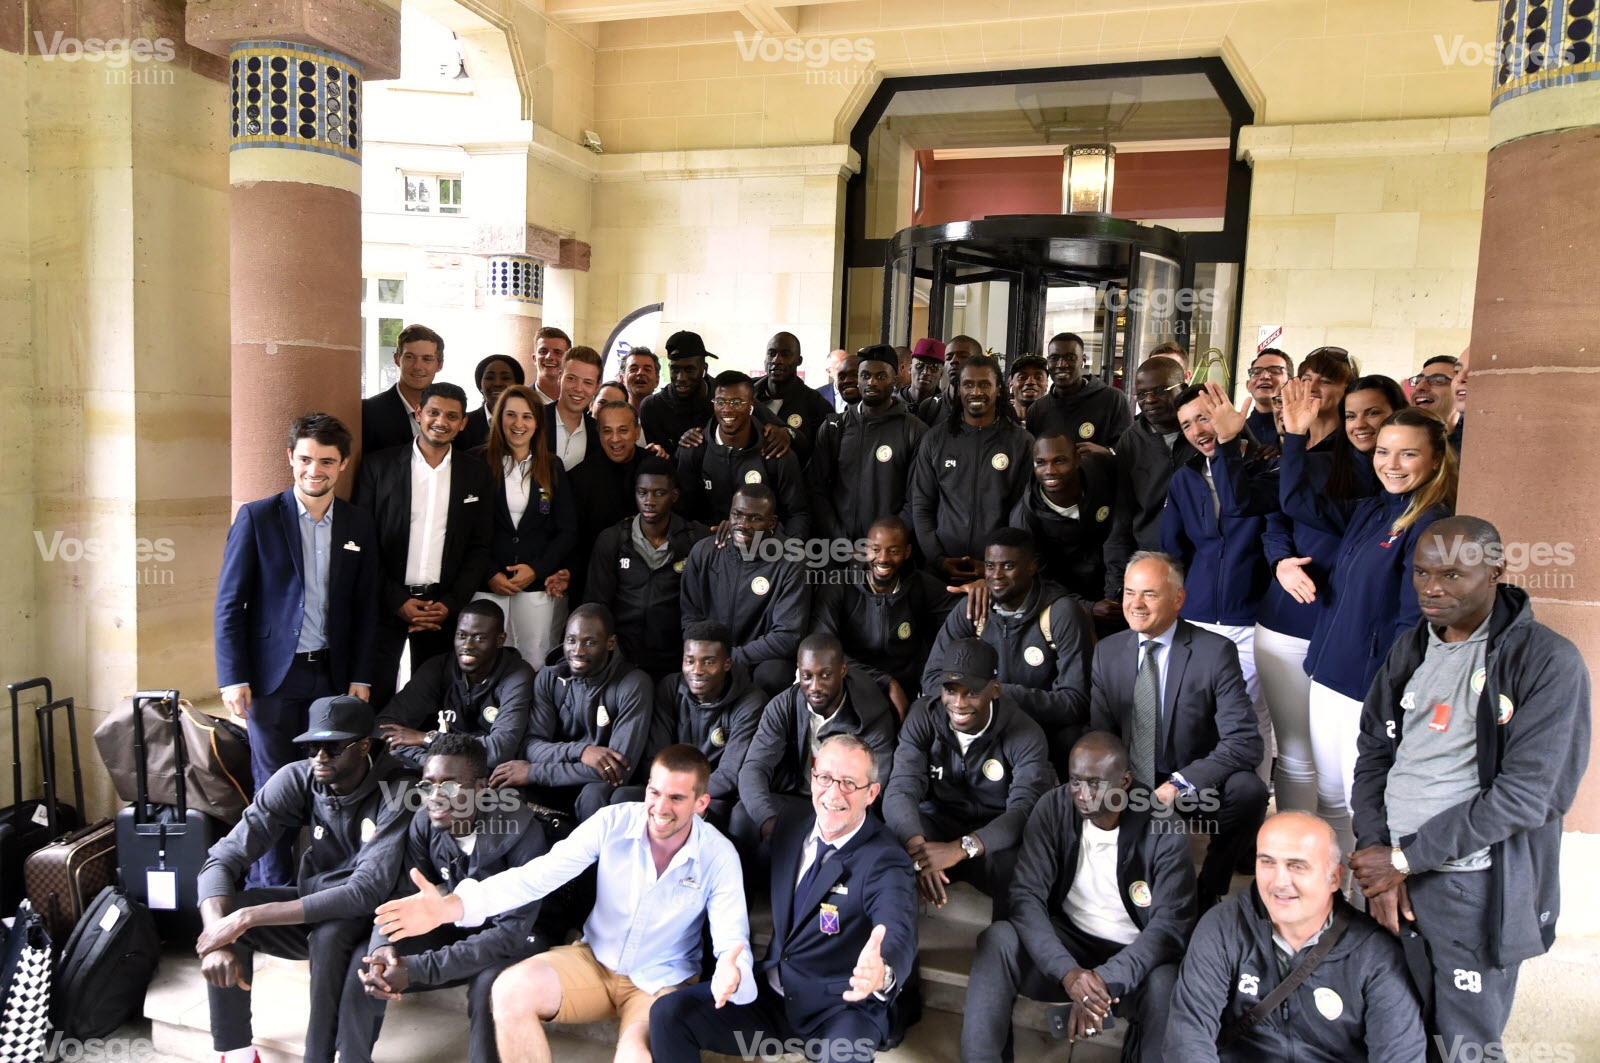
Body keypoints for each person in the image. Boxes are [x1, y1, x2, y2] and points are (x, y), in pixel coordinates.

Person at [1349, 516, 1591, 1053]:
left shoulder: (1547, 661)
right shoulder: (1411, 647)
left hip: (1472, 885)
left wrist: (1407, 859)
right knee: (1391, 1025)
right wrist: (1377, 854)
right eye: (1421, 573)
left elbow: (1532, 794)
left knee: (1466, 1040)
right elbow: (1373, 754)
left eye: (1453, 575)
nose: (1432, 588)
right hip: (1390, 876)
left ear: (1496, 572)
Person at [375, 745, 755, 1063]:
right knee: (509, 990)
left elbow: (731, 936)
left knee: (633, 1056)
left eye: (676, 798)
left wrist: (730, 970)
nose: (660, 807)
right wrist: (453, 906)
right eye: (654, 793)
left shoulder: (718, 855)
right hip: (593, 961)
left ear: (701, 803)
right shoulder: (613, 821)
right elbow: (536, 876)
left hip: (658, 982)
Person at [649, 734, 918, 1063]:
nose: (833, 793)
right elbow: (741, 869)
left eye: (849, 783)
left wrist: (884, 971)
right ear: (813, 777)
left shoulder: (886, 859)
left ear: (871, 793)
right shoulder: (791, 825)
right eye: (825, 778)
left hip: (841, 1009)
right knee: (669, 1014)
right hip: (772, 998)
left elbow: (897, 929)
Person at [1279, 400, 1456, 861]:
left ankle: (1367, 908)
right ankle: (1337, 901)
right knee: (1332, 799)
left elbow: (1411, 623)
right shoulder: (1374, 509)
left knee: (1367, 812)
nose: (1390, 465)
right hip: (1328, 674)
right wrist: (1295, 437)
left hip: (1368, 690)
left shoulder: (1431, 527)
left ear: (1435, 459)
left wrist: (1386, 693)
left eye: (1407, 454)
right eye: (1382, 452)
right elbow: (1296, 501)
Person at [197, 696, 416, 1063]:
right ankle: (236, 1053)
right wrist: (216, 938)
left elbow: (366, 892)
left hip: (379, 922)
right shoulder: (298, 778)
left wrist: (250, 917)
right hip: (315, 907)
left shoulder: (400, 789)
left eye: (332, 748)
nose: (319, 757)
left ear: (364, 745)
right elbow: (222, 859)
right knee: (222, 910)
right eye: (312, 746)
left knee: (319, 934)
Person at [961, 732, 1196, 1063]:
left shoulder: (1162, 828)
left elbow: (1169, 929)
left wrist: (1103, 981)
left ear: (1125, 781)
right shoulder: (1054, 808)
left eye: (1095, 784)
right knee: (997, 939)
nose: (1082, 795)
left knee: (1166, 982)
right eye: (1075, 781)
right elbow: (1026, 898)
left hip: (1132, 960)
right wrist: (1069, 973)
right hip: (1067, 946)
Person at [216, 413, 379, 887]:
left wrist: (362, 677)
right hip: (272, 679)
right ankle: (271, 891)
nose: (315, 469)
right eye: (305, 458)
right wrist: (232, 676)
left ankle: (325, 888)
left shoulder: (357, 523)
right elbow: (230, 603)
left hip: (332, 678)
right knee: (272, 787)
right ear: (290, 458)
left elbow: (366, 607)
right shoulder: (258, 517)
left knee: (332, 785)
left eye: (327, 461)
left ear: (343, 464)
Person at [346, 734, 549, 1063]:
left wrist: (418, 969)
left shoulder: (522, 832)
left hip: (520, 938)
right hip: (456, 924)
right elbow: (403, 892)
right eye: (428, 786)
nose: (436, 797)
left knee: (489, 985)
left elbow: (509, 934)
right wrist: (383, 943)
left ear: (482, 788)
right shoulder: (424, 822)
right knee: (369, 961)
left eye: (451, 786)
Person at [1165, 812, 1426, 1062]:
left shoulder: (1375, 954)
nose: (1279, 881)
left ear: (1335, 877)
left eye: (1297, 866)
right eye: (1267, 862)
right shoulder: (1222, 927)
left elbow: (1399, 1054)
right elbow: (1189, 1037)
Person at [1088, 551, 1266, 908]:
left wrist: (1177, 784)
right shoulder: (1107, 652)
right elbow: (1101, 736)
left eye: (1149, 594)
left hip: (1192, 784)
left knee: (1249, 791)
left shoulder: (1214, 652)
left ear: (1178, 599)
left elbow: (1245, 741)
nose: (1135, 604)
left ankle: (1209, 888)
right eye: (1128, 592)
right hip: (1129, 782)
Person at [1252, 367, 1391, 818]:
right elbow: (1278, 515)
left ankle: (1335, 876)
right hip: (1289, 622)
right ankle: (1295, 856)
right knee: (1295, 756)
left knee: (1345, 771)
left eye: (1375, 413)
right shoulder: (1315, 459)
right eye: (1353, 414)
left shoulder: (1404, 488)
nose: (1361, 424)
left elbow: (1307, 509)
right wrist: (1279, 562)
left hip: (1351, 638)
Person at [884, 638, 1050, 919]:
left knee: (1020, 868)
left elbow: (1023, 811)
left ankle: (1004, 952)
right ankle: (894, 957)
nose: (958, 704)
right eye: (951, 690)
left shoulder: (1025, 732)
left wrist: (962, 848)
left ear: (994, 690)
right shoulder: (924, 716)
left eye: (971, 693)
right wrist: (917, 849)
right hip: (935, 824)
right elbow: (901, 787)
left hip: (991, 835)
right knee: (891, 851)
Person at [354, 381, 495, 713]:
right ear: (418, 414)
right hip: (385, 603)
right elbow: (362, 543)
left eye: (451, 416)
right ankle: (372, 759)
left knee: (435, 701)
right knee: (374, 696)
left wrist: (449, 603)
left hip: (442, 608)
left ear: (463, 423)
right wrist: (396, 601)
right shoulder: (379, 467)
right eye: (433, 412)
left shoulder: (476, 474)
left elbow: (479, 546)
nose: (440, 421)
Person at [1162, 383, 1276, 781]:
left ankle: (1250, 803)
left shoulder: (1266, 467)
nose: (1197, 430)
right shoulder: (1183, 479)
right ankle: (1194, 803)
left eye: (1203, 417)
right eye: (1187, 425)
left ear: (1227, 414)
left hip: (1254, 618)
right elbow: (1173, 552)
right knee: (1193, 713)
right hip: (1198, 616)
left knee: (1249, 715)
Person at [923, 528, 1094, 772]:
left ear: (1032, 567)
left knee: (1073, 739)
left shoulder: (1060, 613)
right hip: (979, 724)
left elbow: (1076, 702)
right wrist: (974, 700)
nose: (996, 576)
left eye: (1008, 566)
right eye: (990, 566)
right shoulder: (972, 609)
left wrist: (1000, 695)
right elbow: (931, 678)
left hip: (1040, 729)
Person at [490, 604, 654, 822]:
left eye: (590, 642)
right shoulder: (549, 677)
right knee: (503, 787)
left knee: (594, 794)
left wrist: (533, 772)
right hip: (558, 775)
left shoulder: (633, 683)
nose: (578, 651)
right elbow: (531, 746)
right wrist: (582, 750)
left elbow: (617, 771)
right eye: (571, 640)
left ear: (610, 643)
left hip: (599, 787)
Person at [736, 635, 898, 847]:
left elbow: (876, 788)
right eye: (807, 676)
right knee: (742, 815)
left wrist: (834, 819)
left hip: (843, 805)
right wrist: (769, 821)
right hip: (796, 798)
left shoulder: (871, 714)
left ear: (842, 670)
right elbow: (753, 769)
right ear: (798, 672)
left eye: (825, 675)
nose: (815, 686)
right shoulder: (784, 705)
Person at [622, 620, 767, 831]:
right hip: (666, 789)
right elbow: (655, 756)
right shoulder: (670, 688)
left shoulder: (751, 701)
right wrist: (669, 794)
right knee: (622, 796)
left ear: (727, 664)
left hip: (713, 795)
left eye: (708, 662)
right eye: (690, 661)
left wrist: (684, 797)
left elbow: (730, 774)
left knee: (731, 816)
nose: (696, 670)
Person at [813, 515, 962, 719]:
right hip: (852, 682)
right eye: (875, 550)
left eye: (893, 551)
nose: (883, 559)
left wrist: (979, 590)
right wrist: (884, 682)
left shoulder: (921, 585)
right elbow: (823, 649)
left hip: (909, 686)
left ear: (907, 552)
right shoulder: (838, 585)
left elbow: (960, 618)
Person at [471, 383, 575, 667]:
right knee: (482, 662)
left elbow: (567, 531)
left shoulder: (552, 467)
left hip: (535, 585)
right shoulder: (475, 463)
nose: (519, 424)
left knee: (534, 660)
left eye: (527, 416)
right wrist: (490, 572)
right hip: (486, 584)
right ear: (498, 418)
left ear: (538, 422)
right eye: (511, 415)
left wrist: (537, 570)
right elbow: (465, 530)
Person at [908, 353, 1033, 584]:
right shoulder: (935, 439)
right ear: (958, 390)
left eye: (985, 384)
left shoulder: (1021, 442)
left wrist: (994, 564)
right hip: (939, 573)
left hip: (997, 576)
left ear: (999, 389)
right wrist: (938, 558)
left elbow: (1022, 514)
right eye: (968, 385)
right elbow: (922, 505)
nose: (976, 392)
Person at [584, 459, 711, 680]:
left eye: (659, 493)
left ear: (674, 495)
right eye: (642, 493)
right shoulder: (613, 540)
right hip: (621, 659)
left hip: (675, 661)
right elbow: (597, 605)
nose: (649, 501)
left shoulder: (696, 540)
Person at [679, 484, 811, 695]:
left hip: (759, 660)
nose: (743, 524)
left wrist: (733, 657)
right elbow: (690, 617)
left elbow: (788, 634)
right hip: (710, 655)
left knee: (773, 673)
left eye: (754, 518)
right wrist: (707, 655)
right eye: (737, 515)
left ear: (772, 523)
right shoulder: (704, 552)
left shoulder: (791, 561)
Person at [374, 601, 533, 772]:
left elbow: (498, 751)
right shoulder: (439, 667)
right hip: (441, 767)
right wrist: (431, 763)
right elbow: (383, 726)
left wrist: (428, 738)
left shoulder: (518, 675)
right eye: (462, 636)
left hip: (495, 775)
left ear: (500, 640)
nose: (467, 646)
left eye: (479, 638)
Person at [806, 345, 929, 543]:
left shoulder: (915, 431)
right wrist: (840, 541)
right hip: (837, 550)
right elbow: (816, 489)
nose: (871, 382)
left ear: (895, 380)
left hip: (888, 553)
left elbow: (916, 498)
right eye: (864, 375)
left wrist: (884, 544)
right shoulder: (834, 427)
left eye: (880, 376)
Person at [1100, 355, 1193, 609]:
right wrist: (1116, 588)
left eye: (1161, 391)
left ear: (1182, 388)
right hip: (1150, 567)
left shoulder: (1206, 429)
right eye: (1141, 394)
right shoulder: (1131, 440)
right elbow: (1121, 518)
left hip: (1200, 569)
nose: (1149, 400)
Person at [676, 369, 811, 539]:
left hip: (765, 552)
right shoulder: (694, 449)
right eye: (720, 401)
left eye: (736, 402)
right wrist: (706, 543)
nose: (727, 409)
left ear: (751, 406)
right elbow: (682, 513)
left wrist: (788, 554)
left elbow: (797, 513)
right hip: (711, 548)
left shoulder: (775, 451)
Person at [1008, 429, 1118, 613]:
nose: (1050, 471)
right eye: (1041, 463)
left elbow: (1119, 533)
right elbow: (1041, 579)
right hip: (1068, 600)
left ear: (1077, 460)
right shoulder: (1024, 519)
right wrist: (1087, 608)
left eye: (1059, 461)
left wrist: (1115, 592)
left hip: (1115, 584)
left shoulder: (1101, 470)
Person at [568, 399, 654, 602]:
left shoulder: (656, 469)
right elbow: (572, 538)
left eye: (623, 430)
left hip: (648, 582)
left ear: (637, 431)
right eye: (607, 431)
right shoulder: (579, 478)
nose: (615, 439)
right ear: (598, 433)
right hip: (595, 581)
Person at [1024, 332, 1132, 456]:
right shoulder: (1037, 410)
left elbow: (1130, 453)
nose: (1062, 365)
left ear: (1083, 360)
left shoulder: (1113, 399)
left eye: (1070, 358)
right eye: (1054, 358)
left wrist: (1107, 453)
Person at [362, 324, 445, 456]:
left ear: (440, 365)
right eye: (410, 357)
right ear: (397, 359)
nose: (418, 366)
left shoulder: (449, 415)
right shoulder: (368, 412)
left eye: (427, 359)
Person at [753, 331, 834, 457]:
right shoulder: (748, 395)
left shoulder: (816, 404)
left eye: (785, 355)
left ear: (799, 360)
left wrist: (791, 435)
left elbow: (821, 457)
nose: (777, 360)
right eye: (771, 354)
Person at [546, 345, 604, 472]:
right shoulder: (535, 418)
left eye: (587, 382)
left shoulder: (598, 432)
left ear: (597, 387)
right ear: (560, 377)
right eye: (571, 379)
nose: (578, 388)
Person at [459, 354, 525, 452]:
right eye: (489, 378)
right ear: (480, 385)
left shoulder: (529, 424)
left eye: (505, 378)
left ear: (517, 384)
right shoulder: (463, 424)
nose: (497, 383)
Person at [915, 334, 983, 426]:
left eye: (963, 356)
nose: (953, 361)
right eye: (948, 358)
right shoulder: (929, 407)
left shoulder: (989, 408)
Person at [1409, 355, 1463, 452]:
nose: (1420, 387)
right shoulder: (1395, 436)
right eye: (1417, 381)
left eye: (1438, 381)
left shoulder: (1478, 443)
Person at [1241, 348, 1291, 445]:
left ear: (1291, 383)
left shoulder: (1303, 431)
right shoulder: (1238, 432)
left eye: (1275, 371)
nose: (1264, 376)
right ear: (1248, 385)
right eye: (1256, 372)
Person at [898, 337, 944, 410]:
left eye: (933, 368)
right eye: (920, 365)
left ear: (941, 374)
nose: (926, 372)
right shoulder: (891, 404)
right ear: (910, 368)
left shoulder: (946, 409)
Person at [531, 326, 570, 407]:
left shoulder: (579, 403)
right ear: (534, 358)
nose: (549, 357)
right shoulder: (522, 400)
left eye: (557, 352)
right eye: (543, 351)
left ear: (568, 360)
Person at [1006, 354, 1048, 423]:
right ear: (1011, 384)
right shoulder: (998, 422)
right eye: (1022, 377)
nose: (1030, 382)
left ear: (1046, 384)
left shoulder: (1057, 422)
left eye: (1038, 377)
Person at [620, 346, 659, 414]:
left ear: (657, 380)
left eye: (647, 369)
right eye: (633, 369)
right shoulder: (614, 413)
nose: (640, 373)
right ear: (622, 379)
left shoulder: (667, 416)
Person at [817, 347, 850, 413]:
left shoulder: (862, 393)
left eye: (849, 367)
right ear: (829, 371)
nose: (847, 371)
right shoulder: (818, 395)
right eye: (840, 368)